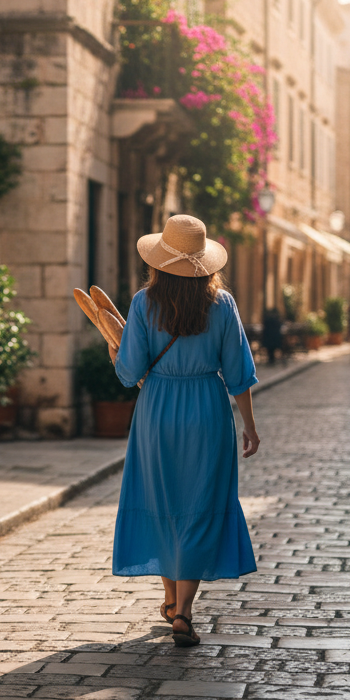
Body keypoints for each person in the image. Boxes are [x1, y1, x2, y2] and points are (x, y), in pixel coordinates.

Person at [109, 215, 259, 648]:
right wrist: (249, 426)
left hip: (156, 411)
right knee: (199, 504)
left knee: (162, 500)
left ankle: (173, 600)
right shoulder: (223, 305)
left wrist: (115, 350)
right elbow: (239, 374)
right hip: (208, 411)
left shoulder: (142, 303)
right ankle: (185, 612)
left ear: (159, 260)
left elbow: (129, 373)